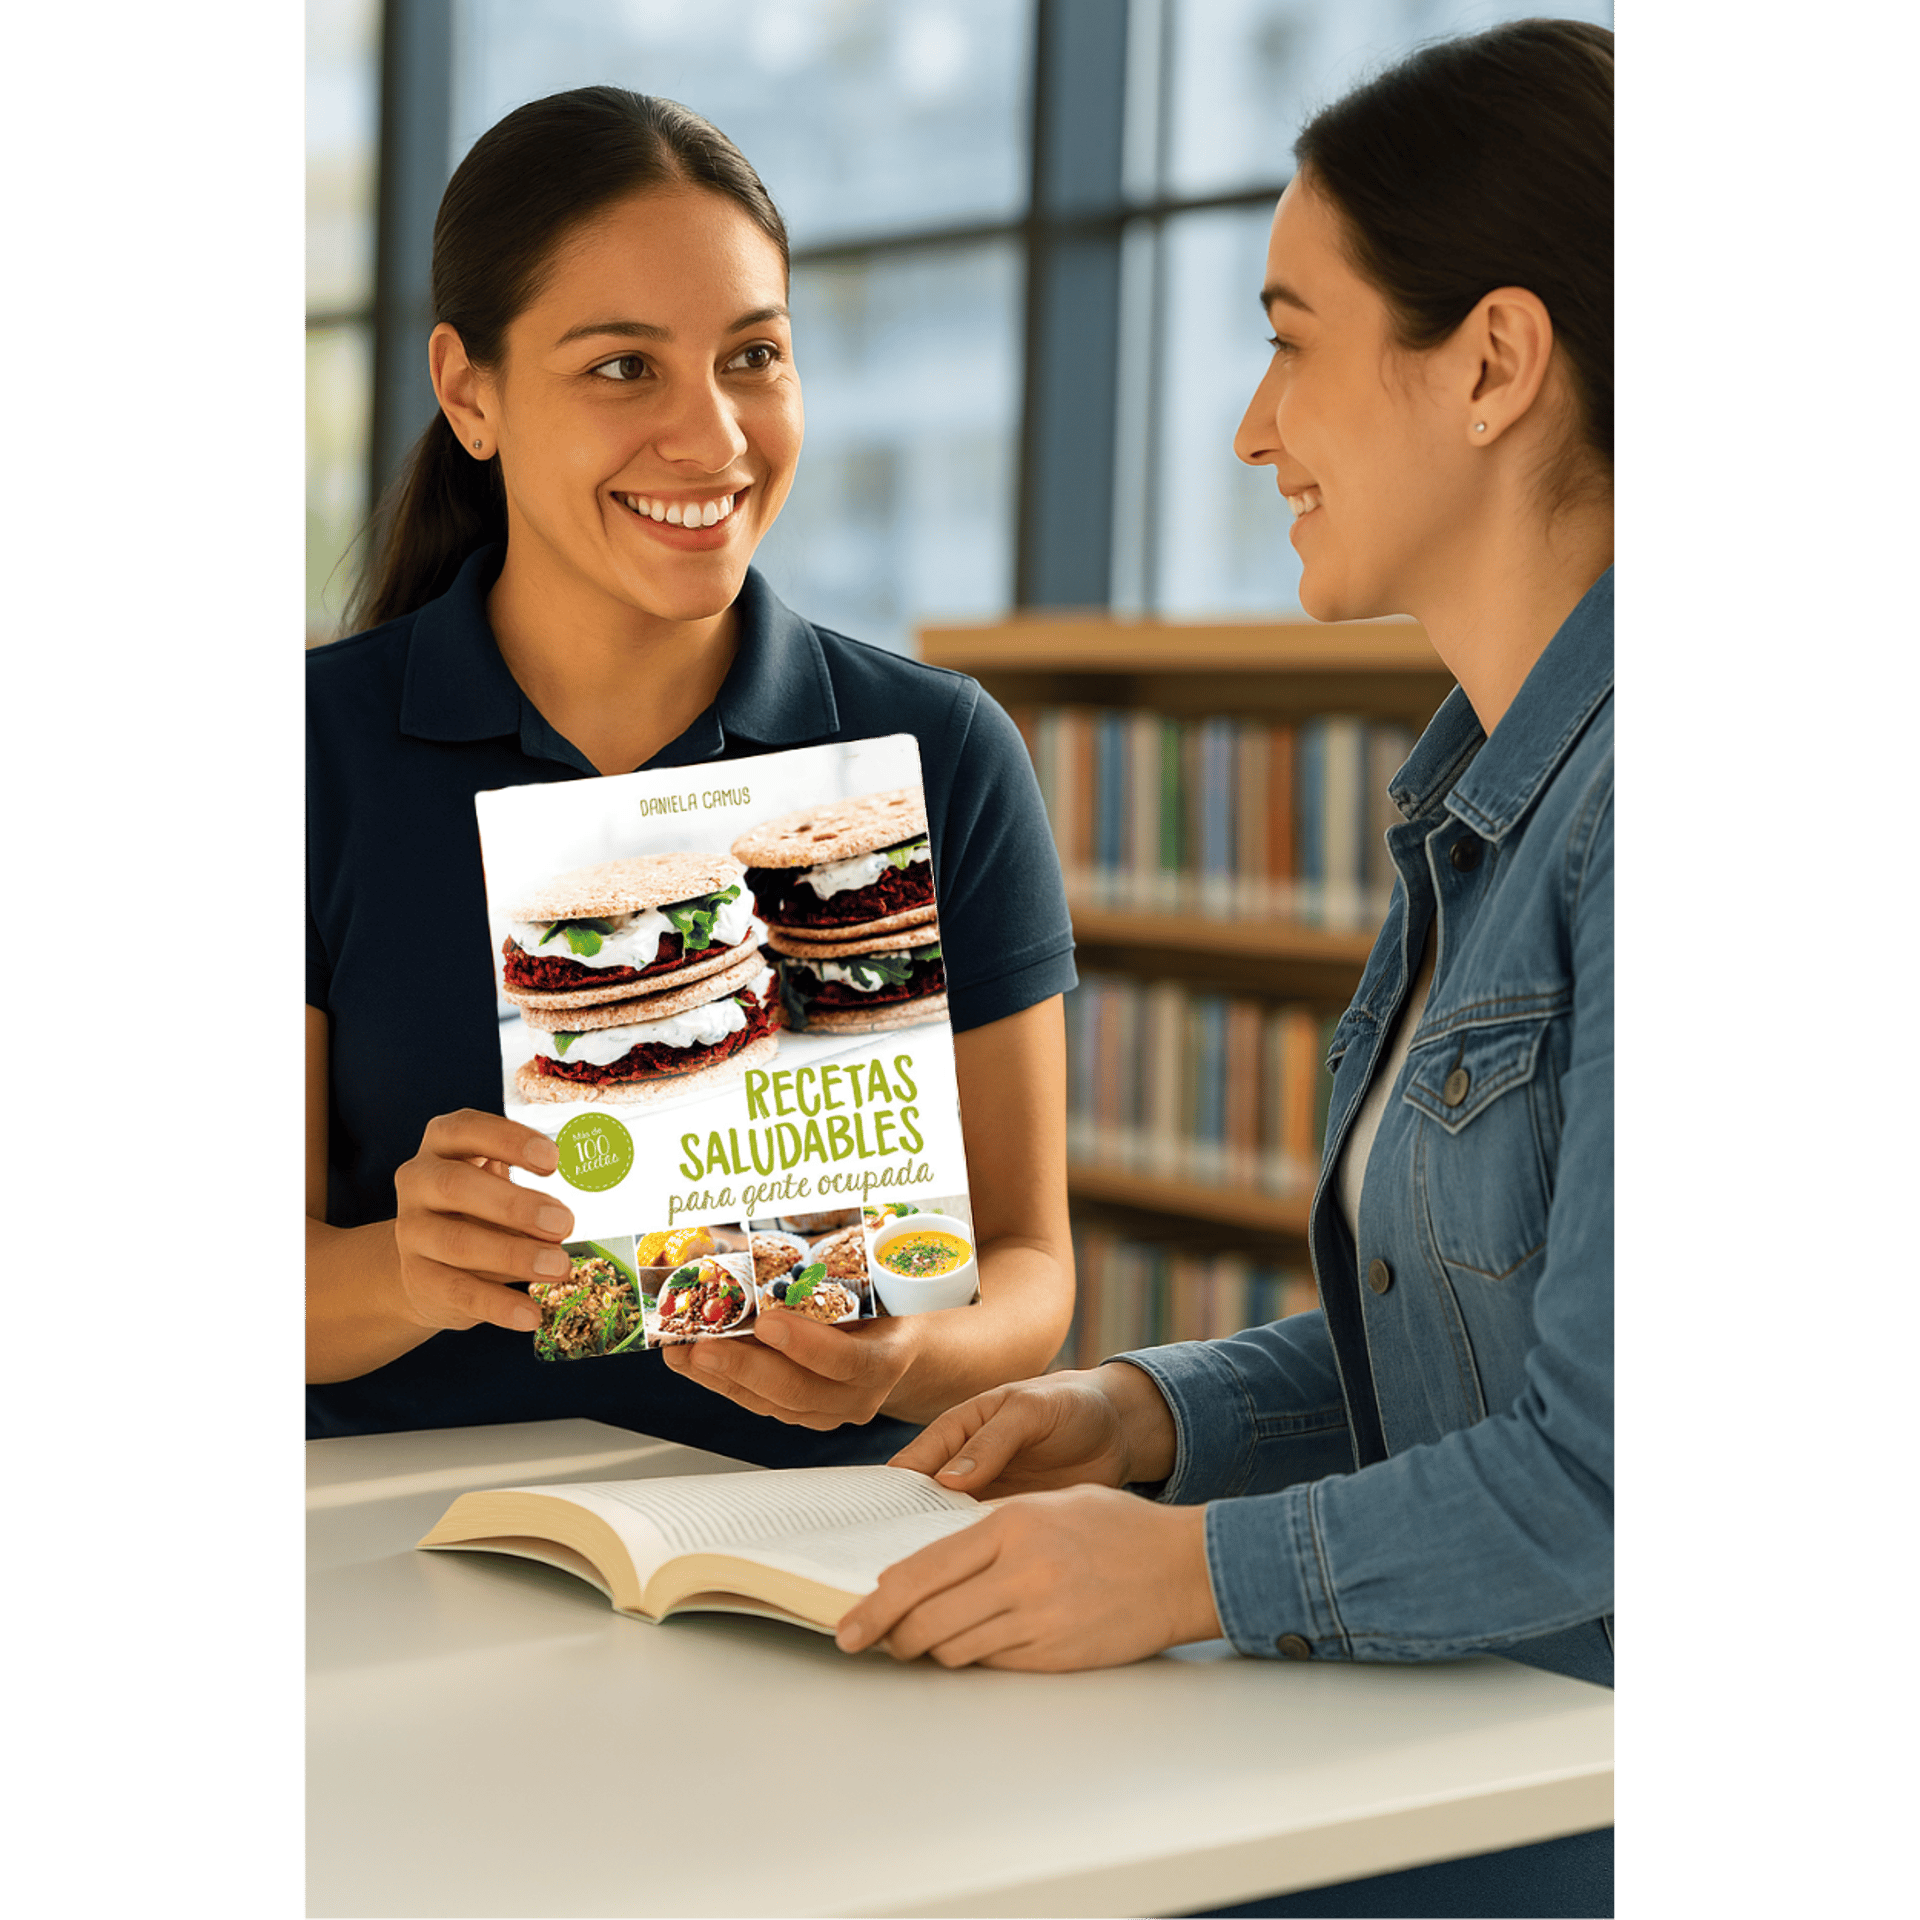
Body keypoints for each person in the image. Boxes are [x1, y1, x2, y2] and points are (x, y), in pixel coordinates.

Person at [836, 20, 1615, 1919]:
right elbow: (1479, 1353)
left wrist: (1186, 1572)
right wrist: (1150, 1416)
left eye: (1290, 340)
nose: (1255, 430)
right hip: (1464, 1745)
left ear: (1493, 364)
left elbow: (1614, 1485)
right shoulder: (1483, 797)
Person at [304, 89, 1076, 1464]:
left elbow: (1030, 1268)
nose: (713, 437)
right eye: (623, 367)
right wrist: (406, 1273)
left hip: (806, 1541)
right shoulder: (306, 753)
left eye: (753, 355)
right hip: (406, 1542)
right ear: (470, 393)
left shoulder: (942, 751)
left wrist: (905, 1359)